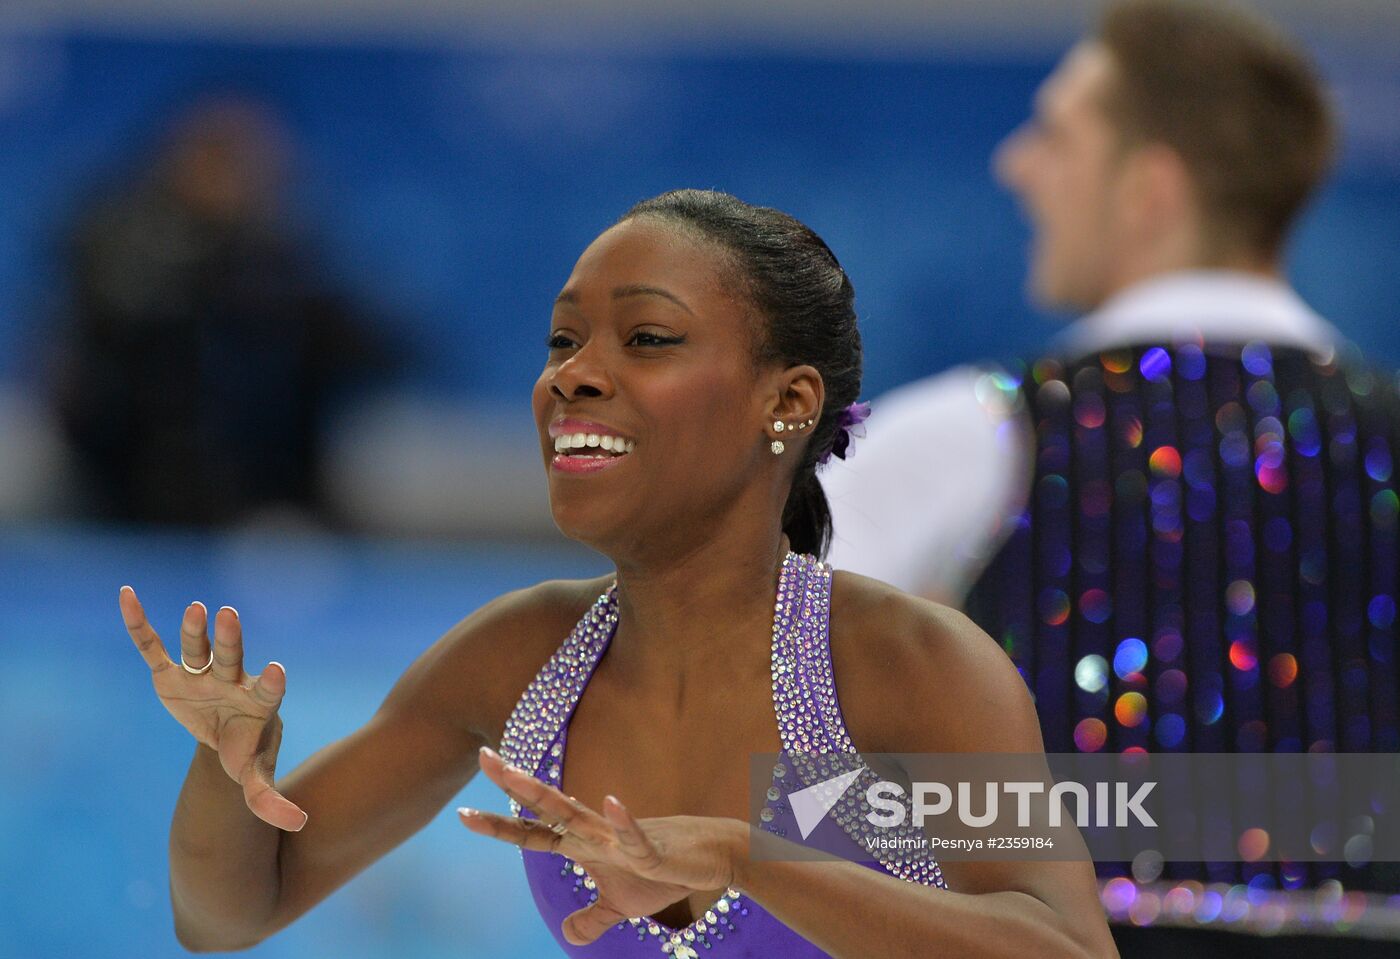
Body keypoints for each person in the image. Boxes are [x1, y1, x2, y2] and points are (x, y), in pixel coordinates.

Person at [119, 190, 1116, 958]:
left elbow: (1065, 947)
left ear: (787, 402)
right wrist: (224, 762)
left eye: (645, 338)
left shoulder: (906, 663)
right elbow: (231, 909)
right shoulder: (512, 658)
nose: (573, 374)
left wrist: (749, 857)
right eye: (563, 339)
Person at [822, 0, 1400, 953]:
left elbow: (735, 753)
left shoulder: (976, 436)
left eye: (1057, 132)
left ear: (1150, 189)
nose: (1017, 164)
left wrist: (952, 829)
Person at [51, 94, 392, 527]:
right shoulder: (121, 239)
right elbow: (125, 345)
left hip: (268, 493)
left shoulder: (280, 256)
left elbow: (369, 351)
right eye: (232, 160)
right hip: (136, 494)